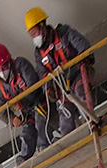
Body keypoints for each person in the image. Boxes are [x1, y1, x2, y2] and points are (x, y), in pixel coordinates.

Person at [25, 7, 93, 142]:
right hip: (63, 86)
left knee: (81, 94)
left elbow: (83, 47)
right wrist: (49, 89)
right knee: (64, 114)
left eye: (34, 32)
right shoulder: (39, 53)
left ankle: (92, 125)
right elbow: (43, 74)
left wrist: (84, 59)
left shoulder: (64, 33)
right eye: (31, 34)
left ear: (43, 26)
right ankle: (68, 143)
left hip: (78, 74)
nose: (34, 37)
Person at [0, 43, 49, 161]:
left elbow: (34, 85)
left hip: (40, 103)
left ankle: (45, 149)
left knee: (40, 123)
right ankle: (24, 160)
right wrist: (12, 119)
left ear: (9, 62)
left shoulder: (21, 65)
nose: (1, 71)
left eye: (3, 67)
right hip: (27, 113)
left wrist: (20, 101)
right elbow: (2, 108)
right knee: (27, 133)